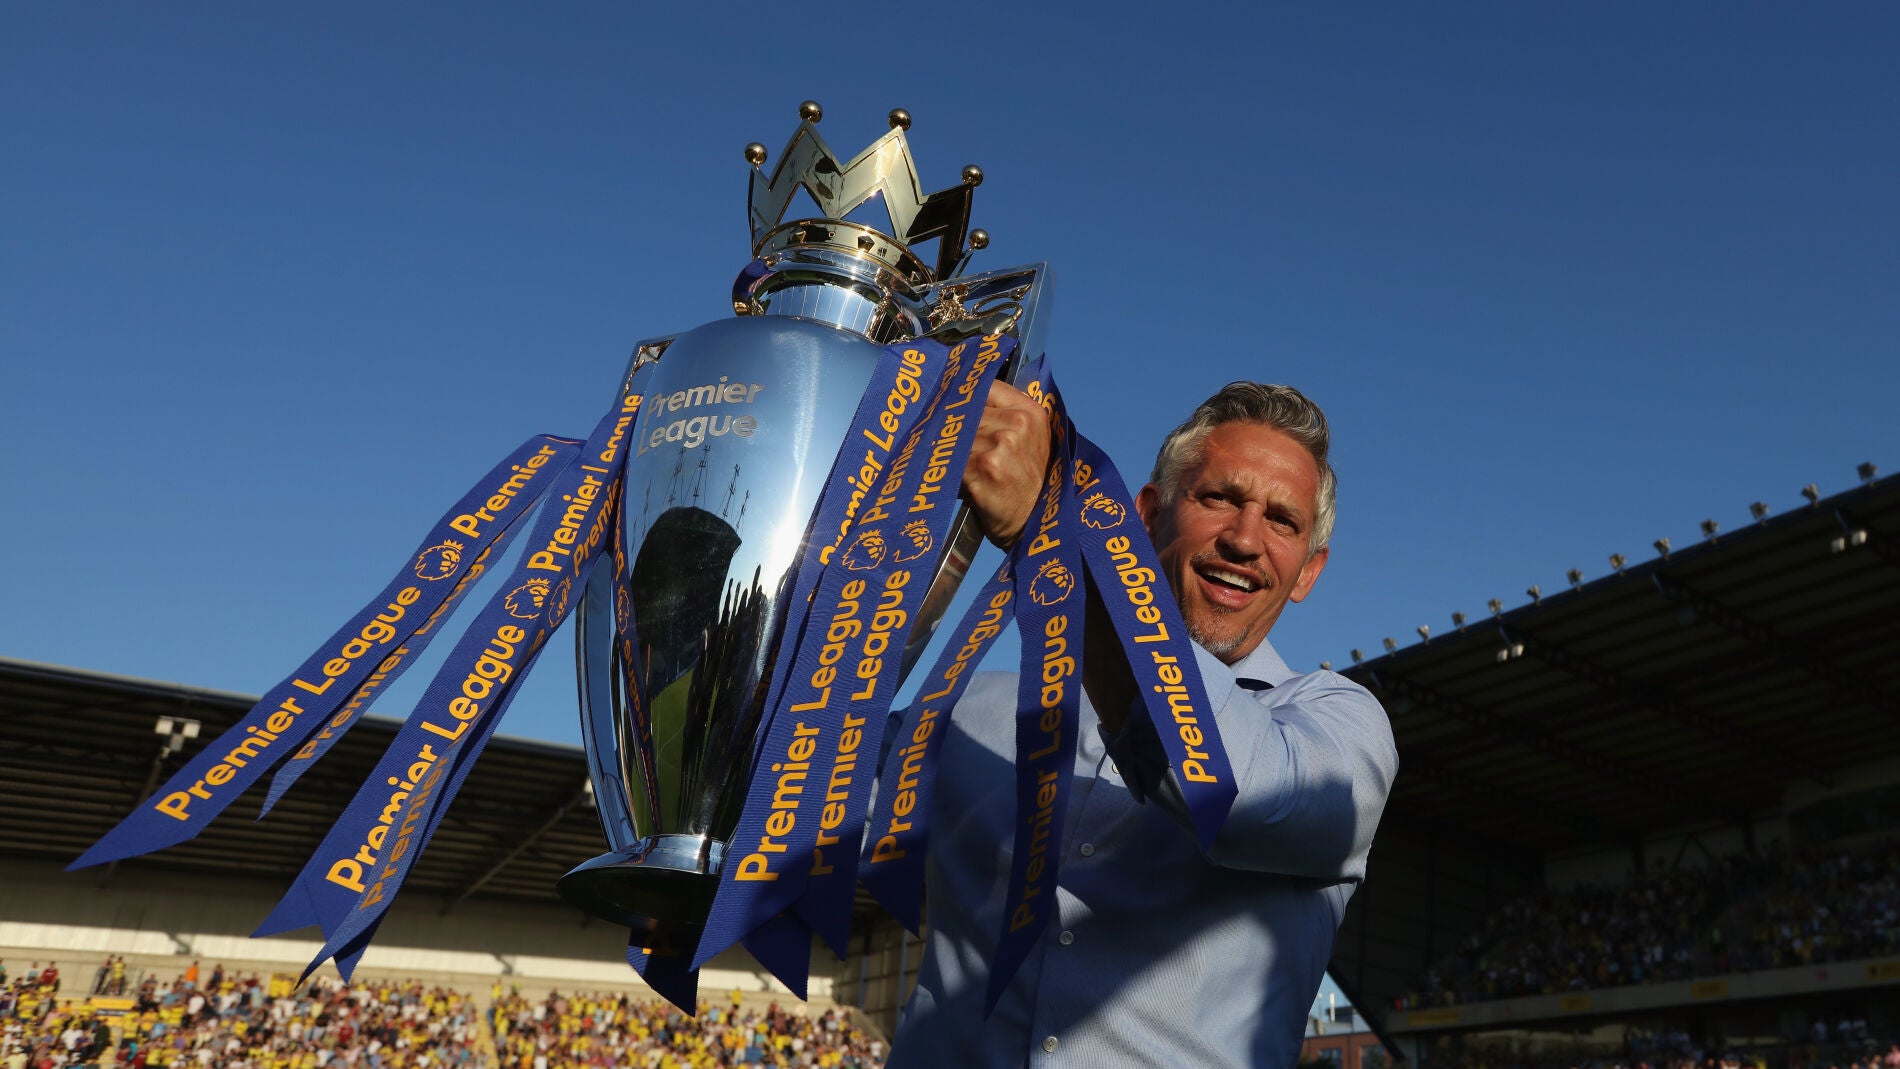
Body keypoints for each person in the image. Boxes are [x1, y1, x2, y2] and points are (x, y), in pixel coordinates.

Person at [887, 381, 1399, 1068]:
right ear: (1148, 512)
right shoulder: (970, 708)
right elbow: (784, 785)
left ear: (1307, 571)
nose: (1246, 539)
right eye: (1218, 496)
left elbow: (1230, 788)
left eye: (1282, 520)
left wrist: (1053, 545)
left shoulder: (1342, 732)